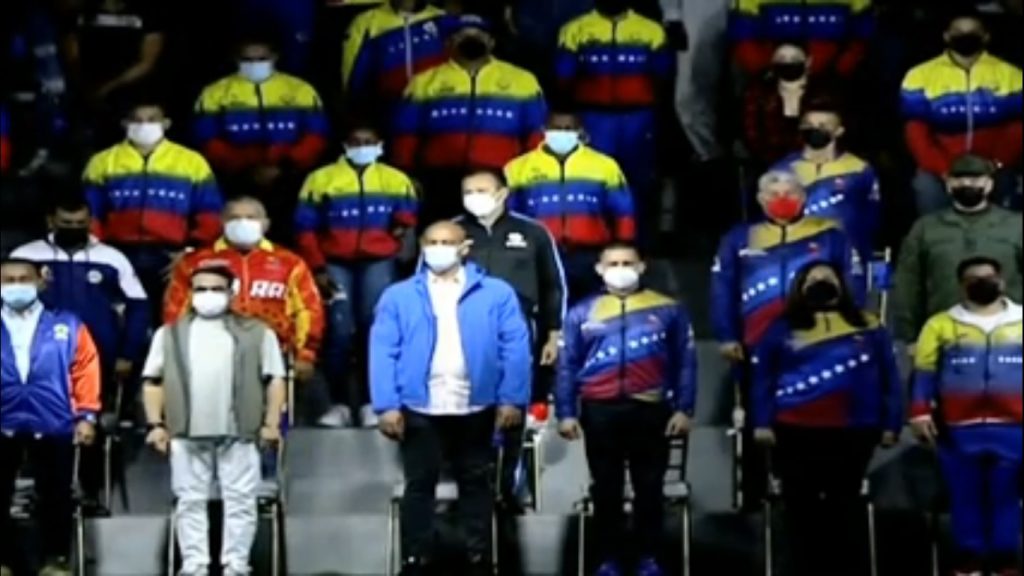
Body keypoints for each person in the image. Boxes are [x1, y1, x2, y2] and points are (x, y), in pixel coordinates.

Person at [369, 221, 531, 576]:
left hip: (478, 406)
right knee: (419, 486)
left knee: (477, 484)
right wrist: (387, 405)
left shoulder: (497, 293)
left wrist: (511, 398)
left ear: (464, 247)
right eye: (432, 242)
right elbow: (383, 351)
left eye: (447, 242)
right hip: (419, 407)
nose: (438, 248)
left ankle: (479, 559)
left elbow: (515, 348)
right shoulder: (398, 296)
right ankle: (415, 560)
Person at [711, 169, 863, 507]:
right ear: (760, 199)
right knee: (756, 424)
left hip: (816, 345)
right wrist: (726, 335)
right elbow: (723, 289)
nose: (782, 199)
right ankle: (753, 500)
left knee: (815, 422)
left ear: (804, 196)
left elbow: (853, 286)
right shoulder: (739, 238)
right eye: (773, 193)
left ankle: (818, 496)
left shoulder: (830, 236)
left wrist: (848, 331)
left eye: (790, 192)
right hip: (753, 345)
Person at [751, 261, 902, 576]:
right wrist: (762, 421)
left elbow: (890, 378)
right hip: (795, 429)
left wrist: (891, 423)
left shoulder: (869, 326)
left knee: (843, 506)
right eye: (813, 278)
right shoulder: (782, 327)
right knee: (800, 508)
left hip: (854, 430)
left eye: (827, 276)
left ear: (842, 284)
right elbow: (763, 377)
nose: (821, 281)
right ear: (800, 287)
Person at [556, 242, 696, 576]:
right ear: (599, 269)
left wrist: (684, 408)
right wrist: (566, 412)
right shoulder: (581, 312)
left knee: (650, 490)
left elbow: (686, 363)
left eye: (627, 263)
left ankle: (649, 559)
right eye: (613, 263)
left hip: (651, 409)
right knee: (606, 490)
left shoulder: (668, 309)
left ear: (642, 266)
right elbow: (567, 365)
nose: (621, 269)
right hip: (599, 411)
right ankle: (609, 560)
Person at [141, 264, 286, 576]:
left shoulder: (258, 333)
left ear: (231, 293)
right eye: (201, 289)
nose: (208, 295)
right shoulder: (169, 335)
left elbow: (275, 378)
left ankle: (236, 566)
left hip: (241, 430)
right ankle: (195, 566)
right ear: (190, 293)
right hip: (185, 430)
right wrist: (156, 424)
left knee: (241, 501)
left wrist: (271, 423)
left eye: (216, 289)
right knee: (189, 501)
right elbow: (153, 380)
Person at [453, 169, 567, 508]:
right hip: (461, 334)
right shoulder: (451, 233)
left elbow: (553, 286)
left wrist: (553, 333)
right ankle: (473, 486)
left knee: (513, 410)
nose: (475, 196)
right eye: (468, 191)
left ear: (503, 193)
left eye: (482, 190)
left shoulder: (533, 233)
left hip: (519, 334)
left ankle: (507, 486)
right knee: (468, 413)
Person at [295, 125, 418, 427]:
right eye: (356, 141)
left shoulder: (396, 179)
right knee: (338, 332)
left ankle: (372, 402)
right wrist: (318, 267)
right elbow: (305, 228)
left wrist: (396, 248)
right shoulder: (320, 179)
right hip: (334, 262)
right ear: (344, 145)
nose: (363, 146)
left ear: (381, 144)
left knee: (375, 331)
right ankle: (337, 404)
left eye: (369, 141)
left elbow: (407, 221)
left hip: (378, 262)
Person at [910, 256, 1022, 576]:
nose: (983, 282)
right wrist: (919, 413)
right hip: (958, 429)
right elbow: (924, 372)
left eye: (989, 277)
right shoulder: (940, 324)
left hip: (1014, 427)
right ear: (962, 286)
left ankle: (1005, 561)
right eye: (974, 278)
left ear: (1002, 281)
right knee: (964, 497)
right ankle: (969, 560)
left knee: (1006, 496)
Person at [391, 14, 547, 224]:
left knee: (496, 236)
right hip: (439, 180)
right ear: (449, 42)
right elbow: (405, 136)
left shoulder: (523, 80)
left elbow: (536, 134)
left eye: (479, 34)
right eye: (463, 35)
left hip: (501, 176)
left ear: (491, 41)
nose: (471, 39)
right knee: (441, 234)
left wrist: (533, 175)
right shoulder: (423, 82)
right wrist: (405, 176)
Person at [0, 258, 100, 576]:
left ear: (41, 282)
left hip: (54, 420)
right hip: (2, 420)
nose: (16, 286)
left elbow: (85, 370)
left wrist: (86, 415)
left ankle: (55, 562)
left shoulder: (67, 324)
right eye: (8, 280)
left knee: (56, 495)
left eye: (23, 279)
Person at [84, 98, 223, 324]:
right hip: (118, 252)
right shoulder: (102, 162)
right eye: (137, 120)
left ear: (166, 123)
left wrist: (191, 251)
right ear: (125, 123)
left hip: (171, 255)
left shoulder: (192, 162)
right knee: (121, 319)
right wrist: (99, 251)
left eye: (152, 119)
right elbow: (91, 214)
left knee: (172, 319)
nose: (144, 125)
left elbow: (210, 214)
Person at [165, 196, 324, 385]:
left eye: (251, 217)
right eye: (234, 217)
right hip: (210, 353)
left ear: (265, 224)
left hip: (274, 353)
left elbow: (309, 310)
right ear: (222, 222)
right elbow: (176, 310)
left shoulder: (290, 263)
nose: (243, 222)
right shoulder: (194, 262)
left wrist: (306, 354)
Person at [11, 197, 149, 414]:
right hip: (37, 353)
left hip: (99, 352)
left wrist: (128, 353)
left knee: (91, 415)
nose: (74, 228)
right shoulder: (25, 256)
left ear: (90, 222)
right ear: (51, 221)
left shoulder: (112, 258)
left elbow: (139, 306)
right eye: (67, 223)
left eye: (80, 223)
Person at [193, 32, 329, 242]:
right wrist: (243, 165)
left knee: (288, 232)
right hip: (237, 177)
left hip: (290, 177)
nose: (254, 64)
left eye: (261, 58)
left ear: (275, 57)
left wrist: (286, 165)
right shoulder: (215, 92)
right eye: (247, 59)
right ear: (236, 59)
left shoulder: (300, 89)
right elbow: (206, 137)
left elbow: (316, 135)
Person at [555, 0, 672, 233]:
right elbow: (563, 77)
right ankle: (596, 235)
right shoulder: (574, 29)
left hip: (639, 117)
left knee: (639, 181)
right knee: (593, 178)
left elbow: (663, 76)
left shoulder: (651, 30)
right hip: (593, 117)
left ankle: (637, 238)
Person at [505, 110, 636, 303]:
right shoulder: (517, 167)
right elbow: (510, 213)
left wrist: (623, 246)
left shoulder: (605, 165)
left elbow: (623, 211)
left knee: (591, 306)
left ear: (580, 131)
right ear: (544, 130)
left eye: (569, 128)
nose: (562, 132)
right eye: (556, 128)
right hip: (540, 251)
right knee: (545, 305)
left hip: (590, 252)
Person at [901, 8, 1023, 215]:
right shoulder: (919, 75)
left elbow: (1017, 127)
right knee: (925, 186)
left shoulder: (1012, 75)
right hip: (940, 168)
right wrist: (944, 169)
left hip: (995, 166)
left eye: (973, 31)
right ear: (946, 36)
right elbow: (916, 130)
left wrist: (996, 164)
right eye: (958, 31)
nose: (965, 36)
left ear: (986, 36)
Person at [892, 154, 1023, 345]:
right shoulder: (926, 228)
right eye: (960, 179)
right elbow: (908, 284)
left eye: (975, 179)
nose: (967, 184)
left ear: (989, 184)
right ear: (948, 184)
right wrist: (909, 336)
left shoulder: (1016, 225)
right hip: (944, 335)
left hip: (1010, 337)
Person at [770, 99, 881, 259]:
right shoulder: (782, 169)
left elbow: (872, 218)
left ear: (839, 131)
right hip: (795, 255)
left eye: (823, 126)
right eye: (809, 125)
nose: (815, 130)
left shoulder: (860, 169)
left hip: (846, 256)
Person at [62, 0, 166, 146]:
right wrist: (87, 87)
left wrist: (109, 87)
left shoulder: (147, 14)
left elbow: (147, 63)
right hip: (87, 94)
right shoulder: (81, 14)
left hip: (131, 96)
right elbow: (72, 56)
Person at [342, 0, 449, 127]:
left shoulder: (443, 18)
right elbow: (353, 77)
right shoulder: (365, 23)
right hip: (386, 116)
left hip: (437, 115)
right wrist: (361, 120)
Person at [742, 43, 840, 171]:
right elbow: (752, 135)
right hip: (770, 167)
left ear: (808, 61)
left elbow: (834, 131)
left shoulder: (825, 93)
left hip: (822, 165)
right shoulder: (758, 92)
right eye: (782, 59)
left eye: (794, 59)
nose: (788, 63)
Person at [729, 0, 872, 79]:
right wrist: (766, 73)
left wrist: (840, 73)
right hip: (771, 86)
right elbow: (743, 36)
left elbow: (862, 36)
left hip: (835, 87)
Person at [660, 0, 728, 164]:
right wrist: (672, 15)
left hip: (745, 11)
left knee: (745, 88)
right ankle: (708, 155)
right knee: (689, 94)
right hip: (698, 10)